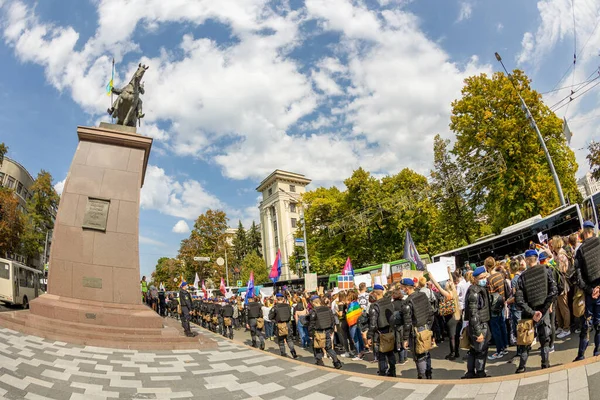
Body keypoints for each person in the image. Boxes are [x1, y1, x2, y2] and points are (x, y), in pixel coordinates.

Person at [514, 249, 557, 373]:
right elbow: (554, 291)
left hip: (529, 313)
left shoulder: (522, 277)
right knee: (545, 339)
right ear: (536, 259)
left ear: (527, 260)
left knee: (526, 341)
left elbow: (519, 300)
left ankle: (522, 367)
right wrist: (543, 310)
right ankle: (545, 363)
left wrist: (533, 313)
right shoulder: (547, 270)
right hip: (543, 312)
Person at [574, 221, 600, 361]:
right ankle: (598, 351)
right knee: (599, 322)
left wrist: (590, 290)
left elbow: (578, 277)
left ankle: (581, 354)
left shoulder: (580, 251)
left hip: (589, 292)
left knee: (586, 324)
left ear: (585, 231)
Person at [400, 278, 434, 379]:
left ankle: (422, 376)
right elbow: (431, 313)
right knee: (426, 351)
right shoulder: (423, 295)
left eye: (402, 287)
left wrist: (405, 339)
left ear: (406, 288)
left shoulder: (407, 301)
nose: (401, 289)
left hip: (415, 330)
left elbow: (407, 322)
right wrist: (429, 327)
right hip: (426, 327)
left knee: (419, 354)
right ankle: (428, 373)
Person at [463, 267, 492, 379]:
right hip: (479, 325)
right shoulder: (475, 293)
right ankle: (480, 373)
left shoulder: (478, 289)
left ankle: (471, 372)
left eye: (485, 277)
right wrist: (478, 332)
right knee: (480, 350)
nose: (484, 279)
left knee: (474, 350)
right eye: (481, 278)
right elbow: (473, 314)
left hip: (478, 324)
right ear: (475, 279)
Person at [429, 266, 461, 361]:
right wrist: (449, 273)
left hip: (450, 318)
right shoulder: (454, 291)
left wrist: (432, 278)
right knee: (457, 336)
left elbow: (438, 287)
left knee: (452, 337)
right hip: (458, 316)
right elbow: (451, 281)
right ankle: (457, 352)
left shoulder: (448, 294)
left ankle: (452, 353)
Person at [367, 284, 396, 377]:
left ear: (375, 293)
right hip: (390, 330)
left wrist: (369, 336)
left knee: (382, 353)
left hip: (380, 332)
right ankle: (392, 370)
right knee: (390, 351)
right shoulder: (389, 302)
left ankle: (383, 371)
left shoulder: (374, 306)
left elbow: (373, 323)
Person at [307, 296, 342, 369]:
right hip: (327, 331)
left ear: (313, 303)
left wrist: (310, 333)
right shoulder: (327, 309)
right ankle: (336, 362)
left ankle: (319, 361)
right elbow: (332, 320)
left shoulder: (314, 311)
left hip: (318, 332)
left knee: (317, 347)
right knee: (328, 347)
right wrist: (331, 330)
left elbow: (312, 324)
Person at [484, 257, 508, 360]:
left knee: (495, 328)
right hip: (502, 302)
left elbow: (490, 294)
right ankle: (505, 346)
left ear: (486, 266)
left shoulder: (489, 279)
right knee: (502, 325)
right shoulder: (500, 275)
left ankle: (499, 350)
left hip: (494, 305)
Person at [270, 293, 298, 359]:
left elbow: (270, 317)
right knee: (289, 339)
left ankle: (283, 353)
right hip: (287, 324)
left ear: (276, 299)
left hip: (279, 325)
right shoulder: (288, 306)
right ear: (283, 299)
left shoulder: (275, 307)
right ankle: (293, 353)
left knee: (281, 340)